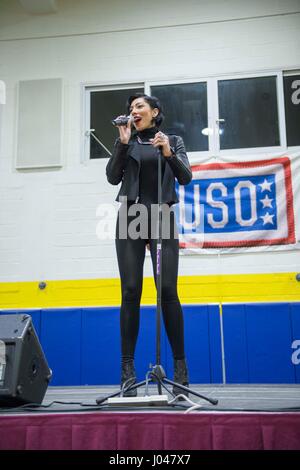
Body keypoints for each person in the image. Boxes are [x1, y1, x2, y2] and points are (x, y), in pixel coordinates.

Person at [106, 93, 192, 396]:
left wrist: (168, 152)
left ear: (155, 112)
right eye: (130, 108)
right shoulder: (127, 140)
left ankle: (180, 370)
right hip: (130, 216)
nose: (133, 111)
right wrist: (123, 142)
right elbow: (112, 177)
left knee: (167, 291)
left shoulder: (173, 141)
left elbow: (186, 178)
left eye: (139, 106)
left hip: (161, 215)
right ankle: (127, 372)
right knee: (130, 291)